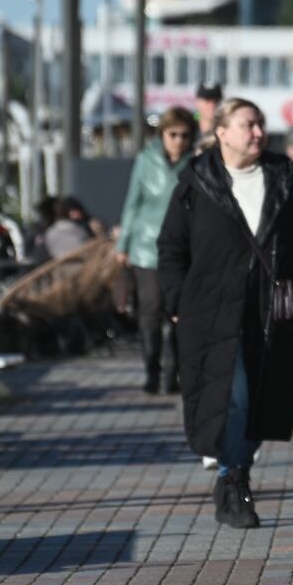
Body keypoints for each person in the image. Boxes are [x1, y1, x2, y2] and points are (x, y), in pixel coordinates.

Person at [157, 98, 293, 529]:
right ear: (222, 132)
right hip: (209, 312)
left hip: (269, 312)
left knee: (260, 403)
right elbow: (171, 246)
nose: (258, 132)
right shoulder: (197, 182)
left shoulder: (282, 176)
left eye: (261, 124)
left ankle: (234, 477)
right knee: (234, 398)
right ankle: (233, 479)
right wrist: (175, 302)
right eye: (248, 124)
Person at [116, 106, 196, 394]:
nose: (179, 140)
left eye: (185, 135)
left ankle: (172, 374)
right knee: (149, 312)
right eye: (173, 134)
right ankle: (151, 369)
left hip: (182, 250)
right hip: (146, 247)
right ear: (162, 134)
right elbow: (132, 202)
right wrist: (123, 244)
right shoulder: (145, 160)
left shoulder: (195, 163)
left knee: (179, 314)